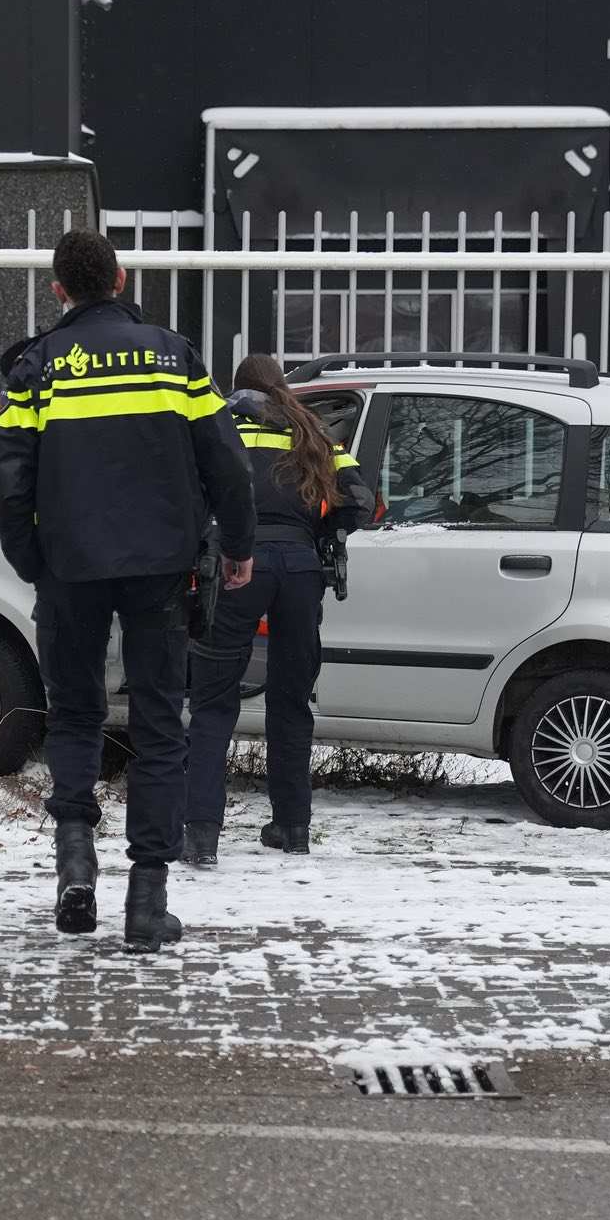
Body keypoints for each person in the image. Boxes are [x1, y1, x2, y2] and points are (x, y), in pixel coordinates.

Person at [0, 230, 256, 953]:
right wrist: (240, 544)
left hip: (69, 567)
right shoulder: (173, 356)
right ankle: (147, 900)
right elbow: (226, 459)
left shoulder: (37, 366)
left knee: (73, 714)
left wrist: (30, 557)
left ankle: (75, 861)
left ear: (58, 290)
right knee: (161, 726)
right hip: (161, 568)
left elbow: (6, 477)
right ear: (123, 278)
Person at [181, 354, 375, 865]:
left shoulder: (215, 425)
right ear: (279, 386)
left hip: (235, 566)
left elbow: (187, 496)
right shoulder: (312, 432)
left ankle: (200, 834)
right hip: (300, 570)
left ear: (237, 386)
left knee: (213, 701)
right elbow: (361, 499)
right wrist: (320, 529)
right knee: (291, 703)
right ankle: (292, 828)